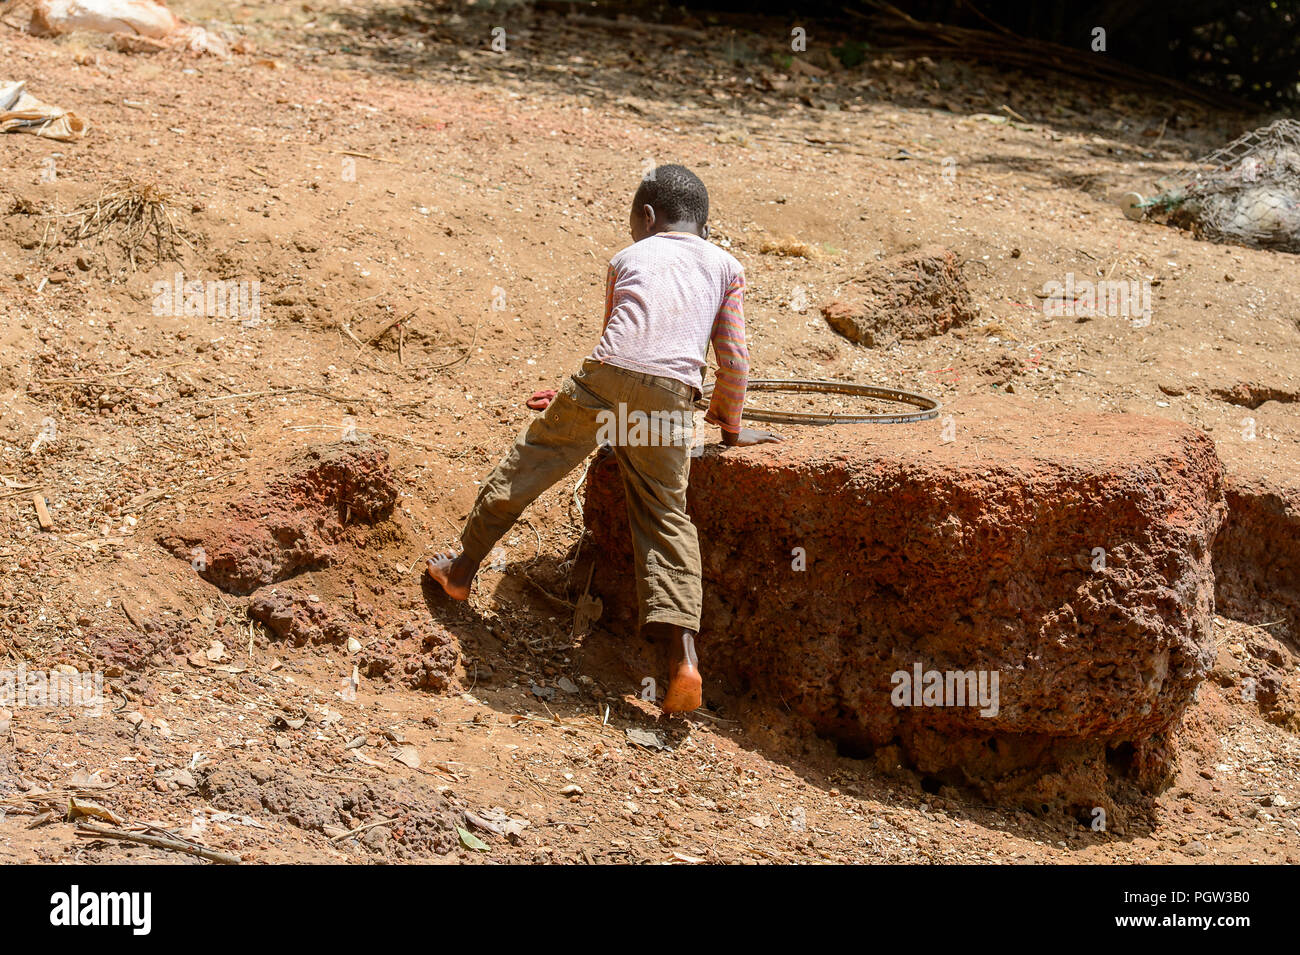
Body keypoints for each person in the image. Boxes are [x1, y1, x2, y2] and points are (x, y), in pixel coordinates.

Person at [427, 164, 779, 713]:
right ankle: (683, 660)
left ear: (646, 216)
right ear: (701, 224)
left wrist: (575, 403)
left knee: (532, 461)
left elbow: (618, 345)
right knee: (665, 516)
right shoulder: (727, 267)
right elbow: (734, 358)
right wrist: (730, 429)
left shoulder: (626, 259)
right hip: (670, 396)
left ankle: (461, 571)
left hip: (605, 379)